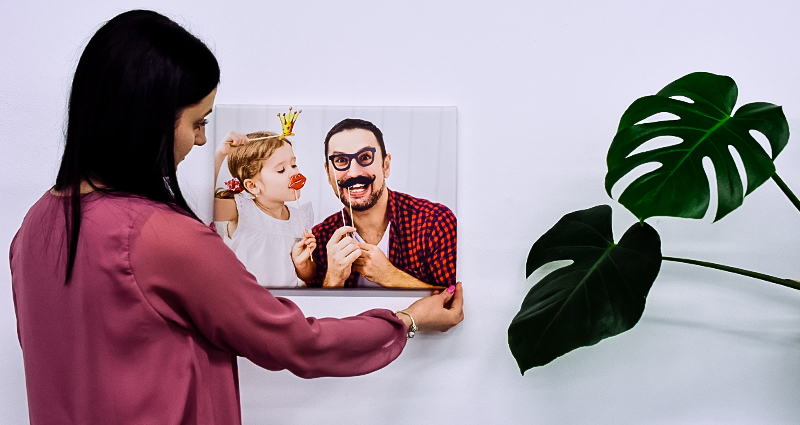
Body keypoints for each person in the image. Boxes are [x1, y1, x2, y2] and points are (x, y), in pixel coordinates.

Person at [9, 10, 463, 424]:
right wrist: (406, 319)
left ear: (386, 163)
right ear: (147, 122)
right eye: (197, 123)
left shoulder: (32, 227)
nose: (203, 140)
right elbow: (297, 343)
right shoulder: (161, 236)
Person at [310, 119, 457, 288]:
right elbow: (316, 313)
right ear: (328, 174)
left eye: (365, 157)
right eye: (341, 160)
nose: (354, 173)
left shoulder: (434, 223)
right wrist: (334, 279)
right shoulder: (320, 239)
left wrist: (390, 276)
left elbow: (452, 304)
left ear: (385, 166)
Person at [213, 130, 316, 287]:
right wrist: (219, 154)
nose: (294, 172)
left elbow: (308, 276)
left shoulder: (300, 218)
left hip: (283, 303)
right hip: (246, 301)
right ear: (253, 186)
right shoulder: (241, 210)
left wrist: (302, 264)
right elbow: (201, 205)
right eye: (281, 169)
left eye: (294, 165)